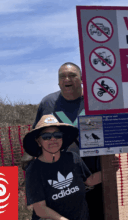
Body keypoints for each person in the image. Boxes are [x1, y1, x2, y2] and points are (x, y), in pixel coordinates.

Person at [22, 62, 106, 220]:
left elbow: (111, 130)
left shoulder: (96, 100)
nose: (67, 79)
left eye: (72, 75)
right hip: (59, 187)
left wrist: (109, 167)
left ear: (82, 79)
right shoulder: (48, 103)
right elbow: (38, 133)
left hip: (93, 177)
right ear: (58, 82)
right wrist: (30, 157)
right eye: (62, 76)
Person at [24, 115, 102, 220]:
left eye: (57, 135)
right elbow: (40, 209)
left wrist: (109, 169)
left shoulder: (72, 157)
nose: (53, 139)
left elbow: (89, 180)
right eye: (46, 136)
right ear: (38, 141)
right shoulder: (33, 170)